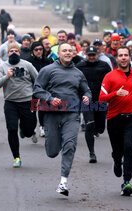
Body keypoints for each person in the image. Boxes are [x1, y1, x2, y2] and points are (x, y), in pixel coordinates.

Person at [33, 43, 91, 196]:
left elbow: (86, 89)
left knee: (70, 145)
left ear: (73, 53)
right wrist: (50, 98)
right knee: (52, 152)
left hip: (71, 114)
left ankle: (63, 182)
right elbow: (37, 88)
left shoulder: (78, 73)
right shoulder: (47, 70)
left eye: (69, 51)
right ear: (58, 53)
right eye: (64, 50)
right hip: (51, 113)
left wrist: (87, 97)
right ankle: (53, 143)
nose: (67, 53)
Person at [99, 46, 132, 196]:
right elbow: (101, 98)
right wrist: (116, 93)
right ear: (116, 58)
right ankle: (117, 161)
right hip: (114, 118)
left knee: (129, 147)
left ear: (130, 58)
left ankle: (126, 181)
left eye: (126, 55)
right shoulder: (109, 76)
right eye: (120, 55)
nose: (123, 58)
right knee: (118, 151)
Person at [0, 42, 38, 167]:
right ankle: (16, 157)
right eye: (11, 51)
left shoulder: (27, 65)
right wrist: (7, 76)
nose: (14, 53)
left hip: (27, 101)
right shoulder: (3, 66)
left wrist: (36, 97)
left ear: (20, 53)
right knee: (11, 129)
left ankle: (23, 127)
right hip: (11, 103)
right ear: (7, 53)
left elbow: (38, 80)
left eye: (16, 51)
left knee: (29, 132)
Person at [76, 46, 111, 163]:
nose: (91, 57)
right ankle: (92, 153)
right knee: (89, 125)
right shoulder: (80, 66)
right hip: (86, 101)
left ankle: (97, 129)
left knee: (100, 128)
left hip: (100, 100)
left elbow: (111, 80)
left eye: (93, 55)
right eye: (89, 55)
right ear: (86, 55)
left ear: (97, 55)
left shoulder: (104, 66)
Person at [27, 41, 52, 138]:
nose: (39, 51)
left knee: (43, 108)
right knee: (33, 109)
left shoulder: (48, 61)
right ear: (32, 51)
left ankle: (42, 126)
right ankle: (32, 128)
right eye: (36, 50)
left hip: (44, 89)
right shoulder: (28, 62)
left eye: (40, 49)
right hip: (32, 89)